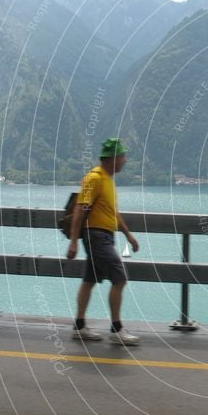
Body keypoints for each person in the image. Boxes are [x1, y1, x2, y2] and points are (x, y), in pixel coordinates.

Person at [67, 138, 140, 345]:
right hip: (96, 237)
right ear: (112, 159)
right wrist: (73, 242)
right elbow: (80, 209)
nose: (125, 161)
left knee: (89, 280)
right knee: (120, 278)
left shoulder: (108, 180)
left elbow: (113, 213)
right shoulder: (94, 179)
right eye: (122, 157)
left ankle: (79, 327)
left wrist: (128, 235)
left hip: (104, 236)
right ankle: (117, 330)